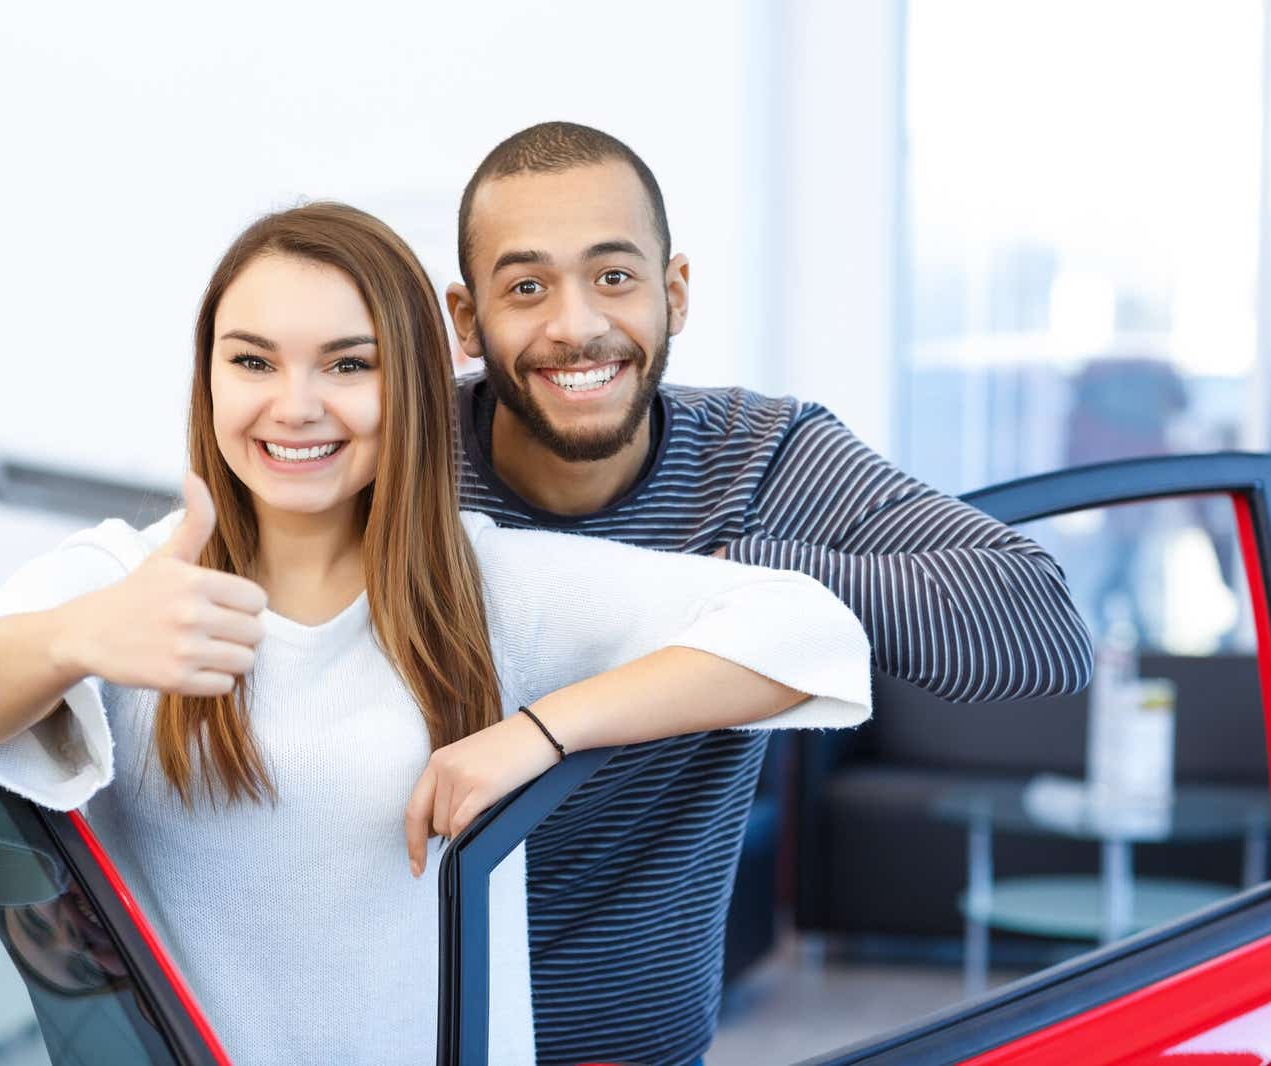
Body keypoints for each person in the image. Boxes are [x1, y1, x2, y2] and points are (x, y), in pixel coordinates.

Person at [0, 202, 873, 1065]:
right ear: (208, 378)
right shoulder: (134, 579)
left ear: (411, 384)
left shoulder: (487, 584)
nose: (295, 406)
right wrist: (76, 641)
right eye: (252, 361)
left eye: (348, 363)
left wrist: (541, 733)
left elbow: (806, 630)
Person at [445, 121, 1096, 1066]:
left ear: (674, 293)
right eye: (527, 287)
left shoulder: (761, 458)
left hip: (638, 1053)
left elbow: (1037, 627)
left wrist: (740, 590)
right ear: (468, 321)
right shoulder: (402, 461)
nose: (576, 325)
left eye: (615, 277)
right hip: (400, 1033)